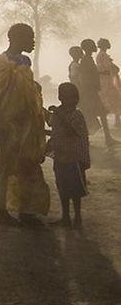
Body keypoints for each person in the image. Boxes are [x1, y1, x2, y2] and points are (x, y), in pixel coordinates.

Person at [0, 23, 49, 227]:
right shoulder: (0, 62)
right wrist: (0, 126)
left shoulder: (25, 61)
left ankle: (26, 210)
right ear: (16, 38)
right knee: (5, 168)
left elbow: (28, 91)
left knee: (27, 165)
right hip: (8, 123)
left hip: (27, 124)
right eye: (29, 37)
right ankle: (3, 212)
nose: (33, 41)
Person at [46, 82, 90, 229]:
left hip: (73, 158)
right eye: (62, 95)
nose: (64, 98)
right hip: (60, 156)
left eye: (67, 96)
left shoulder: (76, 114)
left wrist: (57, 113)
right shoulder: (58, 114)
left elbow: (72, 132)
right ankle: (65, 216)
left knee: (75, 189)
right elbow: (55, 130)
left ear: (74, 98)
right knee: (62, 187)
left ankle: (77, 217)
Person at [79, 38, 116, 146]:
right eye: (93, 45)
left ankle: (107, 138)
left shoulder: (88, 59)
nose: (95, 46)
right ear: (88, 48)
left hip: (91, 91)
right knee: (91, 115)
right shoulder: (86, 60)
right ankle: (105, 138)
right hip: (90, 92)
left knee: (100, 114)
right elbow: (85, 77)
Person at [95, 38, 121, 128]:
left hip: (106, 81)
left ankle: (117, 120)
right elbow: (105, 69)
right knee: (114, 99)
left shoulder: (102, 55)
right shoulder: (103, 55)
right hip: (106, 82)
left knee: (114, 99)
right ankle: (116, 121)